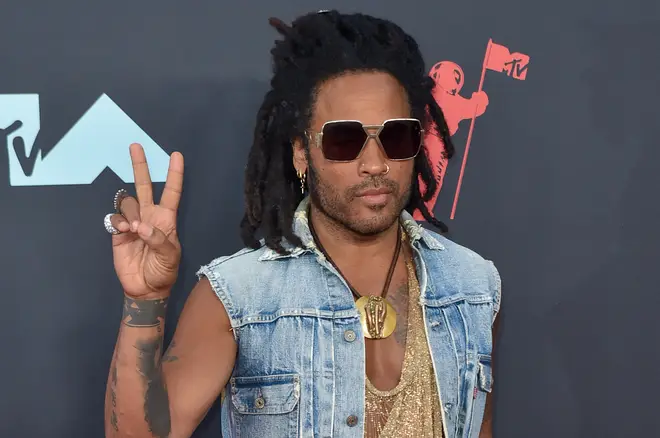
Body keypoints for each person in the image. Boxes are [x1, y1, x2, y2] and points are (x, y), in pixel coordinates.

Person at [103, 10, 501, 438]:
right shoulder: (240, 297)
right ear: (300, 153)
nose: (374, 163)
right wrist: (144, 304)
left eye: (396, 136)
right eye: (344, 140)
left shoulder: (472, 286)